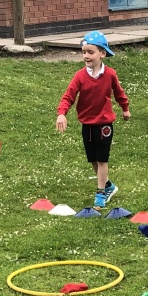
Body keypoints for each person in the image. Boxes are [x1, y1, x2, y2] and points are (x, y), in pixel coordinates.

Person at [56, 31, 131, 210]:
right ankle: (108, 185)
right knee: (93, 159)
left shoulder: (110, 74)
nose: (86, 56)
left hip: (104, 124)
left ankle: (100, 194)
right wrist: (61, 113)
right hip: (87, 124)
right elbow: (68, 96)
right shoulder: (80, 76)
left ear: (102, 53)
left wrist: (125, 108)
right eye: (84, 52)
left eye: (91, 52)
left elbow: (119, 93)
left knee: (102, 159)